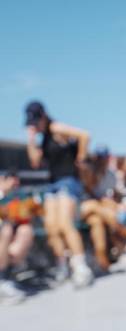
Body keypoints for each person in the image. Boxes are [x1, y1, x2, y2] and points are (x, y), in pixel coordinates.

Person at [24, 101, 93, 287]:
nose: (34, 125)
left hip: (68, 180)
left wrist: (81, 157)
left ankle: (80, 266)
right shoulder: (43, 138)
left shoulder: (56, 128)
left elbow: (85, 135)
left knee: (65, 223)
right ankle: (63, 264)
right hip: (52, 183)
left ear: (43, 117)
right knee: (51, 227)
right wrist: (31, 138)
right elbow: (35, 162)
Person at [0, 170, 36, 304]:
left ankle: (5, 278)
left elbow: (30, 213)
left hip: (7, 238)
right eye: (12, 179)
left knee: (25, 230)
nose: (16, 183)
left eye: (17, 180)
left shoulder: (17, 197)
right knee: (6, 229)